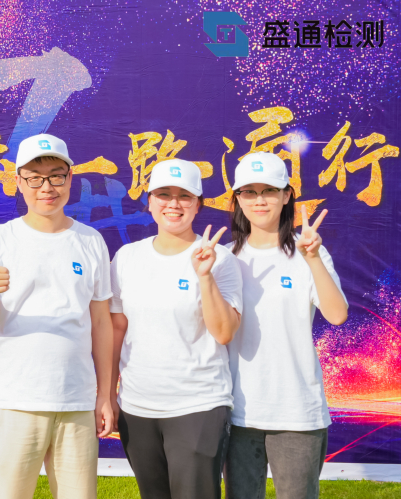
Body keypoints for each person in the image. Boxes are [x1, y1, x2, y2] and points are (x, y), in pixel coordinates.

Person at [0, 133, 114, 499]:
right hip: (16, 399)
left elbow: (101, 324)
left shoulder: (90, 241)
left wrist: (105, 395)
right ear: (19, 182)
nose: (46, 187)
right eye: (34, 178)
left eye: (56, 176)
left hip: (76, 399)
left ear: (70, 179)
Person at [109, 158, 243, 499]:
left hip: (198, 404)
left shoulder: (220, 259)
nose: (174, 204)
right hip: (137, 406)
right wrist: (108, 395)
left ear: (198, 204)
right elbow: (117, 330)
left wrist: (204, 276)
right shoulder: (126, 257)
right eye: (164, 194)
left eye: (184, 196)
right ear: (149, 202)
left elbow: (224, 332)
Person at [223, 152, 348, 499]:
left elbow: (337, 314)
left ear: (287, 195)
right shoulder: (223, 257)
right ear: (237, 198)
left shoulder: (310, 253)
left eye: (269, 190)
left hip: (297, 411)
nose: (259, 200)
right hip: (237, 411)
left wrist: (312, 258)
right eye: (249, 192)